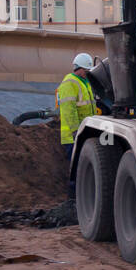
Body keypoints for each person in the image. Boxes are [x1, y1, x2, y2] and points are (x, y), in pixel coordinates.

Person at [56, 53, 99, 193]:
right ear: (79, 69)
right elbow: (69, 110)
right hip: (72, 136)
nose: (87, 74)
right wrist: (76, 131)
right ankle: (73, 198)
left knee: (81, 167)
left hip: (82, 133)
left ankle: (78, 196)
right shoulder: (69, 83)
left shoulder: (83, 83)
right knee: (76, 168)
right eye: (86, 71)